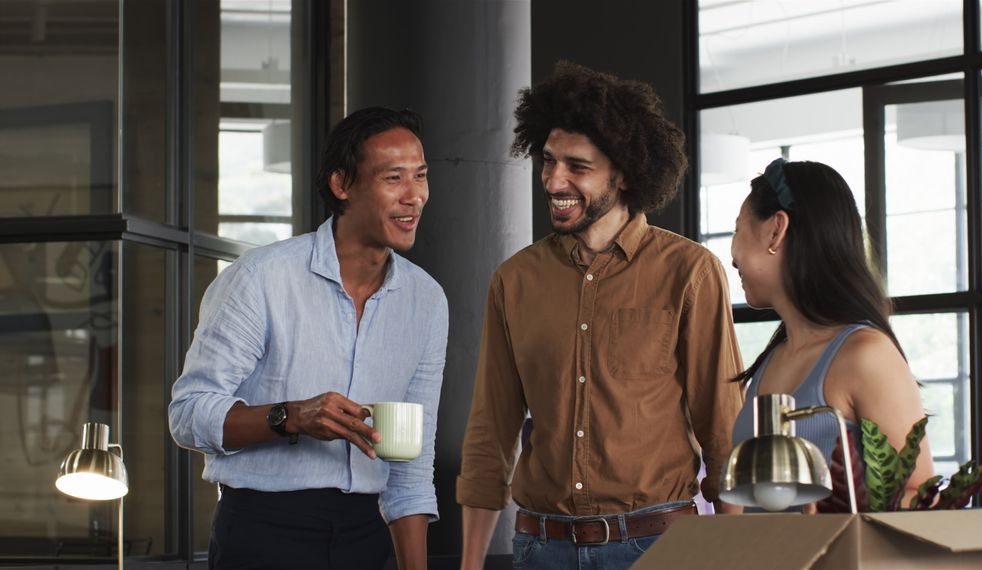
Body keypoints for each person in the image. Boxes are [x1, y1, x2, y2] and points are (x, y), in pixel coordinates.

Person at [456, 61, 744, 570]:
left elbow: (721, 427)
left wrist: (736, 554)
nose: (553, 180)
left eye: (577, 166)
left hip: (658, 546)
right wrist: (470, 564)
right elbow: (490, 431)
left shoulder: (690, 272)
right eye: (547, 162)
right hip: (541, 548)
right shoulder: (515, 280)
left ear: (625, 173)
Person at [168, 107, 448, 570]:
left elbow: (411, 466)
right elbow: (188, 413)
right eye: (393, 178)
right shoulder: (261, 278)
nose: (413, 196)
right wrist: (291, 416)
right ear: (342, 185)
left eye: (420, 176)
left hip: (366, 535)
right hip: (264, 532)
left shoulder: (426, 300)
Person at [728, 158, 933, 510]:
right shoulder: (772, 360)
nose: (731, 255)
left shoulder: (865, 355)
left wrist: (829, 526)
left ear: (776, 230)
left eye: (737, 228)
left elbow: (920, 496)